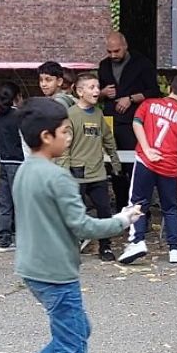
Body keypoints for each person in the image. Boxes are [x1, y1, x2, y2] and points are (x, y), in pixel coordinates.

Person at [0, 98, 143, 353]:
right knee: (73, 347)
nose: (70, 136)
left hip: (32, 268)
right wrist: (122, 220)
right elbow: (82, 225)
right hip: (55, 273)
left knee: (77, 330)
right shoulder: (59, 177)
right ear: (46, 136)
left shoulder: (25, 170)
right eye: (65, 131)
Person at [117, 72, 177, 265]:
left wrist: (146, 148)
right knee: (171, 207)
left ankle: (137, 241)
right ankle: (175, 249)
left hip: (146, 161)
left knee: (138, 202)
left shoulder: (148, 104)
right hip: (169, 165)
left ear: (169, 89)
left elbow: (136, 124)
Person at [98, 31, 162, 210]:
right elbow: (97, 92)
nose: (113, 55)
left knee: (133, 167)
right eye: (109, 51)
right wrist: (103, 93)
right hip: (111, 120)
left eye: (116, 51)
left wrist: (131, 98)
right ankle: (120, 208)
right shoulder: (104, 65)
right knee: (114, 166)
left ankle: (139, 209)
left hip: (133, 121)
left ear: (125, 46)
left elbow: (154, 91)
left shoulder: (142, 64)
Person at [63, 72, 120, 262]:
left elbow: (107, 139)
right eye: (92, 87)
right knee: (75, 213)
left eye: (97, 87)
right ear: (80, 91)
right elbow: (64, 146)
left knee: (104, 211)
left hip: (98, 174)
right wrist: (64, 171)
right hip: (76, 175)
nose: (97, 91)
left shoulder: (98, 114)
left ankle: (105, 247)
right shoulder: (71, 115)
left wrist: (115, 161)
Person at [0, 82, 24, 252]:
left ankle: (3, 239)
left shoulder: (0, 116)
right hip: (18, 162)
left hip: (4, 161)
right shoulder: (19, 116)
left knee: (5, 202)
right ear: (17, 97)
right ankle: (23, 238)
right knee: (21, 203)